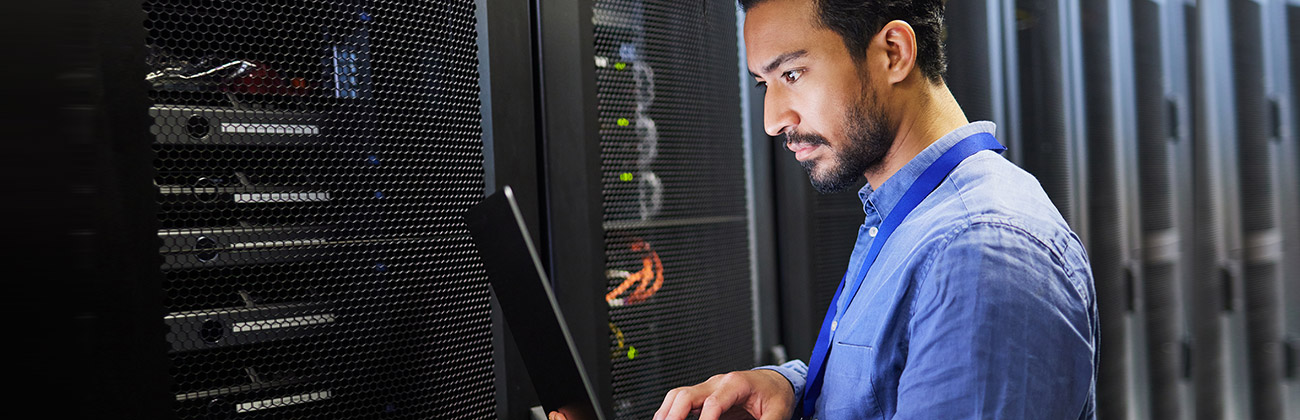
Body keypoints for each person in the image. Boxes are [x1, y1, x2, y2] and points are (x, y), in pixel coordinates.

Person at [556, 0, 1097, 419]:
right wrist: (793, 387)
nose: (772, 119)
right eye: (764, 84)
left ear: (893, 53)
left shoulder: (981, 253)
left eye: (791, 74)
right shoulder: (911, 217)